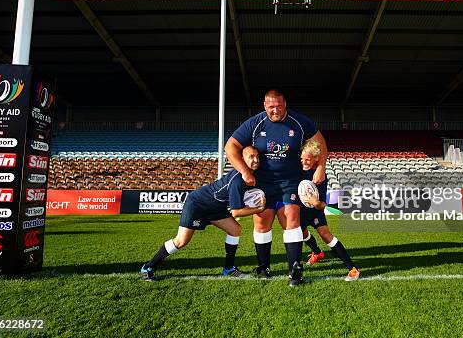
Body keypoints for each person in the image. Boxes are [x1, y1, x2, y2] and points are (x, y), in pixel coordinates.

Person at [225, 89, 328, 286]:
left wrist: (320, 167)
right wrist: (245, 172)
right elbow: (230, 146)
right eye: (271, 107)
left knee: (291, 218)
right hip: (262, 184)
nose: (275, 110)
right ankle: (264, 268)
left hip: (290, 182)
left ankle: (295, 271)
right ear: (265, 106)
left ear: (285, 104)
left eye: (279, 106)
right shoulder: (255, 124)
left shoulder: (300, 122)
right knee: (262, 222)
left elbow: (321, 144)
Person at [140, 146, 265, 281]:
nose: (256, 160)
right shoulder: (237, 181)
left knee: (235, 229)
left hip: (216, 208)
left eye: (257, 156)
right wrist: (259, 209)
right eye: (251, 156)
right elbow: (236, 212)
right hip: (197, 204)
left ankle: (228, 269)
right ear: (241, 159)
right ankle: (148, 267)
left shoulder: (248, 175)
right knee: (181, 241)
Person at [299, 139, 360, 281]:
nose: (303, 162)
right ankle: (317, 252)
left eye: (307, 160)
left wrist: (315, 202)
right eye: (302, 158)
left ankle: (353, 269)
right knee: (301, 233)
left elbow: (322, 205)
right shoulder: (298, 168)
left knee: (326, 235)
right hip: (299, 211)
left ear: (316, 159)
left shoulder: (320, 176)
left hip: (315, 211)